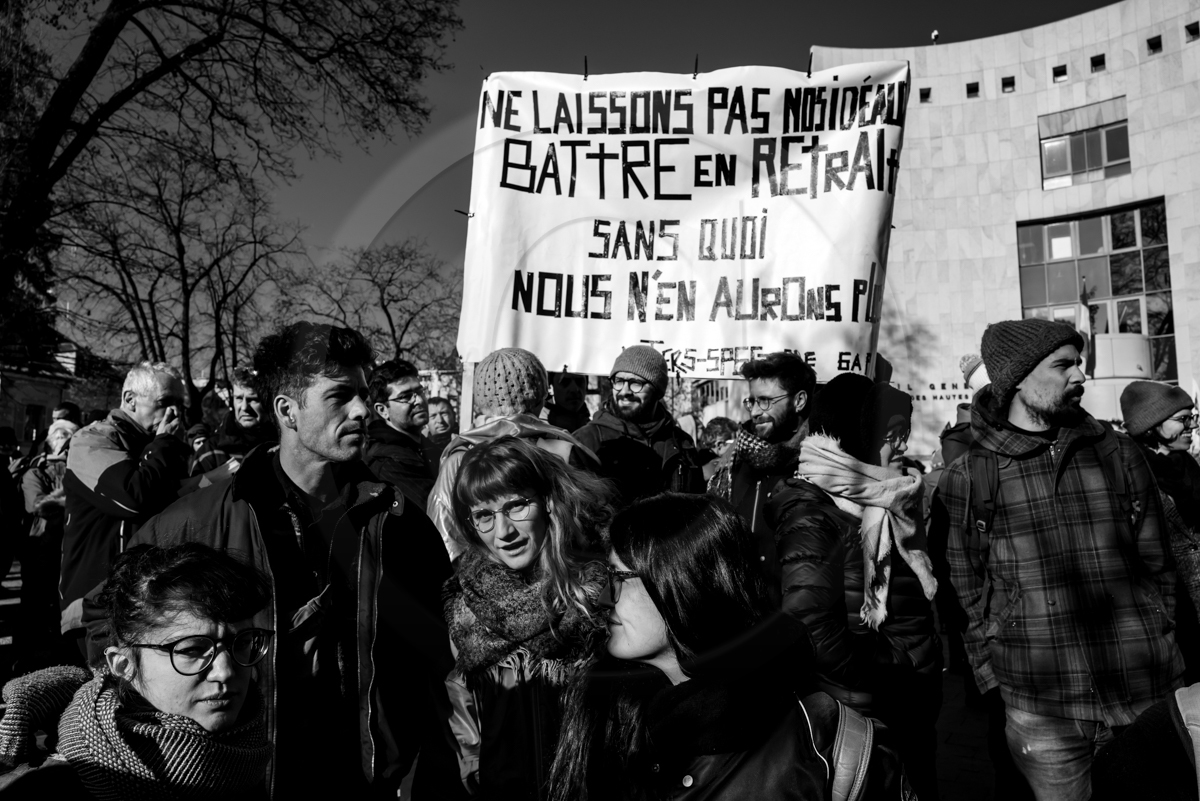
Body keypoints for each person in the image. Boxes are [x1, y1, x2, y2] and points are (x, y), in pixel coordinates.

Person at [87, 322, 461, 798]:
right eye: (340, 395)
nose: (362, 410)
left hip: (366, 782)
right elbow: (107, 618)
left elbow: (445, 653)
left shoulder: (399, 520)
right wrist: (171, 724)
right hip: (247, 779)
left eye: (364, 394)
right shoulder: (201, 520)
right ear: (287, 409)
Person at [935, 318, 1182, 801]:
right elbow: (964, 589)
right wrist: (993, 678)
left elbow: (1159, 561)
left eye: (1080, 363)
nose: (1080, 376)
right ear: (1016, 378)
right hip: (1041, 706)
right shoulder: (970, 475)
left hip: (1143, 689)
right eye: (1063, 365)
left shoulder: (1117, 453)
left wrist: (1160, 631)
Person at [547, 493, 909, 801]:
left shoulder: (823, 743)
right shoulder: (603, 710)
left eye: (620, 578)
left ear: (685, 584)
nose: (605, 598)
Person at [768, 372, 942, 799]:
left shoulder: (884, 498)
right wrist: (892, 673)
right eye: (892, 434)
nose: (902, 446)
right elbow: (810, 625)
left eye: (906, 434)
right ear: (857, 434)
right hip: (868, 710)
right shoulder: (814, 509)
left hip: (902, 704)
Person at [0, 543, 273, 798]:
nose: (225, 671)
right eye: (191, 650)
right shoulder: (54, 787)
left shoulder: (247, 753)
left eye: (243, 642)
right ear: (123, 665)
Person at [443, 436, 610, 799]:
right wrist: (471, 762)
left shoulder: (600, 590)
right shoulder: (466, 603)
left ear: (548, 502)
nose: (503, 532)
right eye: (484, 515)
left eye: (516, 506)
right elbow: (460, 701)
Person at [60, 361, 192, 655]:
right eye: (165, 403)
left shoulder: (160, 446)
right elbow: (133, 498)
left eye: (179, 405)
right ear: (130, 399)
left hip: (148, 601)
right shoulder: (91, 439)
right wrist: (165, 444)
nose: (174, 414)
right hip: (94, 607)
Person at [428, 348, 597, 561]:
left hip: (482, 585)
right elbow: (592, 532)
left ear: (482, 400)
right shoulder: (565, 450)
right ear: (541, 395)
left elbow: (444, 541)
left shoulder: (459, 458)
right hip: (563, 579)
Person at [708, 351, 817, 595]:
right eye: (752, 401)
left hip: (796, 611)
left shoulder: (822, 464)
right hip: (741, 610)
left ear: (799, 401)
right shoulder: (735, 463)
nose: (755, 411)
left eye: (765, 401)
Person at [1121, 381, 1200, 681]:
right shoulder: (1135, 474)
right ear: (1152, 426)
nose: (1192, 426)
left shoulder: (1187, 464)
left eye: (1192, 418)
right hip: (1173, 616)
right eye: (1182, 419)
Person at [572, 346, 704, 507]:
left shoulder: (682, 444)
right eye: (619, 381)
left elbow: (697, 508)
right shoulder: (585, 442)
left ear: (658, 391)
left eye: (636, 383)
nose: (624, 391)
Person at [16, 419, 80, 671]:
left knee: (59, 607)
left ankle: (56, 661)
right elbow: (38, 505)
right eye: (68, 446)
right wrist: (72, 500)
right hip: (39, 551)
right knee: (33, 605)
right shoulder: (34, 473)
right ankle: (24, 659)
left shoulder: (72, 472)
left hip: (66, 549)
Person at [365, 359, 437, 507]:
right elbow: (436, 510)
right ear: (383, 410)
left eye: (419, 391)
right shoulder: (387, 463)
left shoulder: (423, 446)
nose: (418, 400)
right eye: (405, 396)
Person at [212, 366, 276, 461]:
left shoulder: (286, 448)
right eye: (239, 398)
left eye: (253, 399)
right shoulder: (211, 452)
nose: (244, 407)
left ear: (269, 402)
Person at [424, 396, 458, 466]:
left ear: (454, 416)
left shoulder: (465, 442)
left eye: (444, 414)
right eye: (433, 416)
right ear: (425, 421)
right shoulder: (422, 448)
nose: (440, 420)